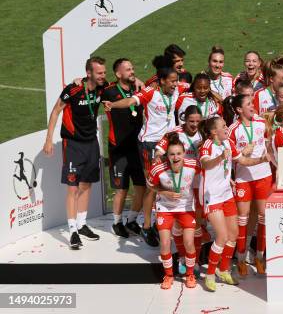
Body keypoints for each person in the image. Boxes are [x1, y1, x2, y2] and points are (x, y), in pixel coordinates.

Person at [104, 67, 185, 247]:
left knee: (167, 182)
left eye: (176, 80)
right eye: (172, 80)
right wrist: (113, 105)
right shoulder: (150, 93)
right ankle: (147, 226)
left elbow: (196, 86)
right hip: (150, 144)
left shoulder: (177, 89)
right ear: (162, 80)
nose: (175, 84)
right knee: (152, 186)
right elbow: (130, 101)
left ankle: (159, 223)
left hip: (169, 143)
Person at [43, 57, 107, 249]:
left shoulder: (102, 88)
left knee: (86, 184)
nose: (103, 76)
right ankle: (72, 231)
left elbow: (124, 83)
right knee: (72, 187)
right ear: (89, 74)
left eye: (104, 72)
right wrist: (48, 139)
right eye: (100, 73)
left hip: (91, 143)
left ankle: (82, 224)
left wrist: (135, 80)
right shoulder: (73, 90)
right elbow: (56, 111)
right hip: (73, 144)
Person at [199, 116, 268, 291]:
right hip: (212, 197)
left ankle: (224, 270)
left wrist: (262, 159)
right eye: (223, 126)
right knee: (221, 236)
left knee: (234, 234)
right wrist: (220, 157)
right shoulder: (208, 145)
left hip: (227, 195)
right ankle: (210, 274)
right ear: (214, 131)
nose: (226, 128)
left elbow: (242, 160)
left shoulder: (228, 142)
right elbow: (205, 164)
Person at [228, 94, 274, 275]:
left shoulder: (262, 123)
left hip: (263, 176)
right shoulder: (233, 129)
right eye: (248, 104)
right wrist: (241, 152)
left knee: (263, 216)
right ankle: (241, 258)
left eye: (252, 103)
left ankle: (260, 256)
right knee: (243, 218)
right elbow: (232, 155)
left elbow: (268, 143)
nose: (252, 106)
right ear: (239, 110)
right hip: (244, 179)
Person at [148, 133, 200, 289]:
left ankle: (190, 274)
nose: (175, 157)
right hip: (165, 207)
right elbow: (151, 185)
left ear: (184, 153)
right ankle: (169, 275)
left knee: (189, 242)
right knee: (165, 243)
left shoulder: (193, 164)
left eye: (178, 154)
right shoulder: (158, 168)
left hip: (186, 207)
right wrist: (165, 192)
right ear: (167, 156)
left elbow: (209, 171)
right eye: (172, 154)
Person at [101, 58, 145, 238]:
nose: (132, 71)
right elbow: (92, 84)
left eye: (132, 68)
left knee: (142, 186)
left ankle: (132, 220)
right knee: (121, 188)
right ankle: (117, 222)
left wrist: (138, 81)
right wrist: (77, 81)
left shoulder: (139, 90)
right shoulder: (109, 91)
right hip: (118, 148)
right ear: (118, 74)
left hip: (137, 147)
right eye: (127, 70)